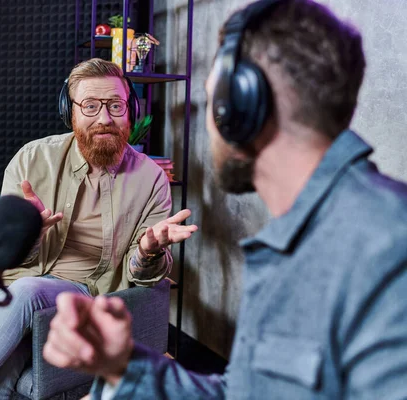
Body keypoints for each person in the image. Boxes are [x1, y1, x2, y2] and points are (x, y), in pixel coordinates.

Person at [42, 1, 407, 399]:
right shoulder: (306, 237)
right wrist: (122, 367)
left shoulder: (385, 245)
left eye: (213, 99)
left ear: (242, 106)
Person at [0, 58, 198, 399]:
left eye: (115, 105)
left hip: (90, 294)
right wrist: (30, 237)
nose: (104, 118)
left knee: (26, 292)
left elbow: (140, 276)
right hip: (21, 288)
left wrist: (147, 252)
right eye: (91, 106)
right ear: (71, 112)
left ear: (130, 111)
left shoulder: (151, 179)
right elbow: (5, 254)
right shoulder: (32, 160)